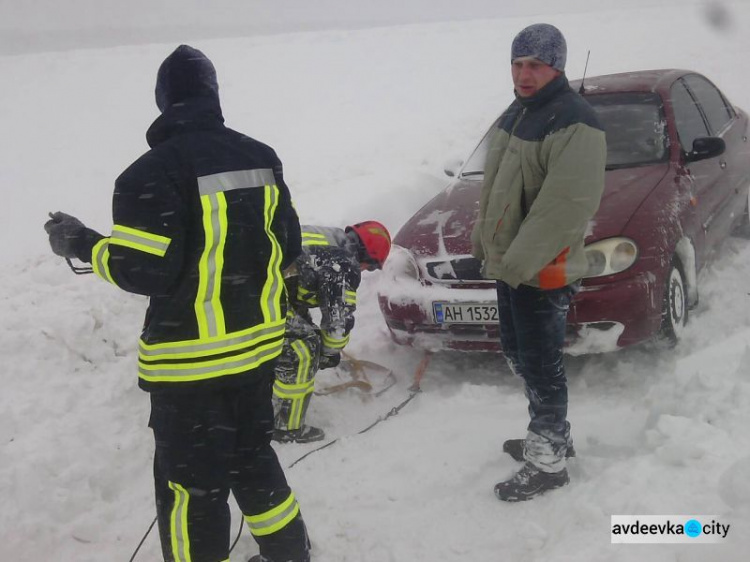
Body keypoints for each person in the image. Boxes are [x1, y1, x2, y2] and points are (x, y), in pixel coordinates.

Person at [44, 45, 311, 562]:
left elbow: (141, 270)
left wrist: (79, 241)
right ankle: (291, 555)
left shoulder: (150, 172)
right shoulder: (260, 156)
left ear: (164, 101)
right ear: (212, 94)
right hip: (256, 354)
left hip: (190, 368)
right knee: (254, 461)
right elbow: (289, 247)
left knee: (192, 492)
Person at [470, 24, 606, 501]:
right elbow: (497, 189)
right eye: (518, 63)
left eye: (536, 65)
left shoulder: (575, 121)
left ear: (557, 67)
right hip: (512, 264)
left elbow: (563, 208)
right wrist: (482, 244)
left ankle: (548, 460)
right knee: (520, 355)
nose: (524, 73)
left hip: (544, 269)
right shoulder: (519, 112)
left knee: (540, 363)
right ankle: (550, 434)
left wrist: (513, 264)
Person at [272, 222, 391, 444]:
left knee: (299, 336)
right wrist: (329, 352)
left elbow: (293, 284)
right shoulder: (344, 263)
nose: (365, 271)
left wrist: (317, 334)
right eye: (371, 267)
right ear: (366, 256)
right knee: (302, 350)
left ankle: (268, 393)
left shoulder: (322, 238)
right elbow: (338, 321)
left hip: (248, 285)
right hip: (261, 293)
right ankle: (287, 427)